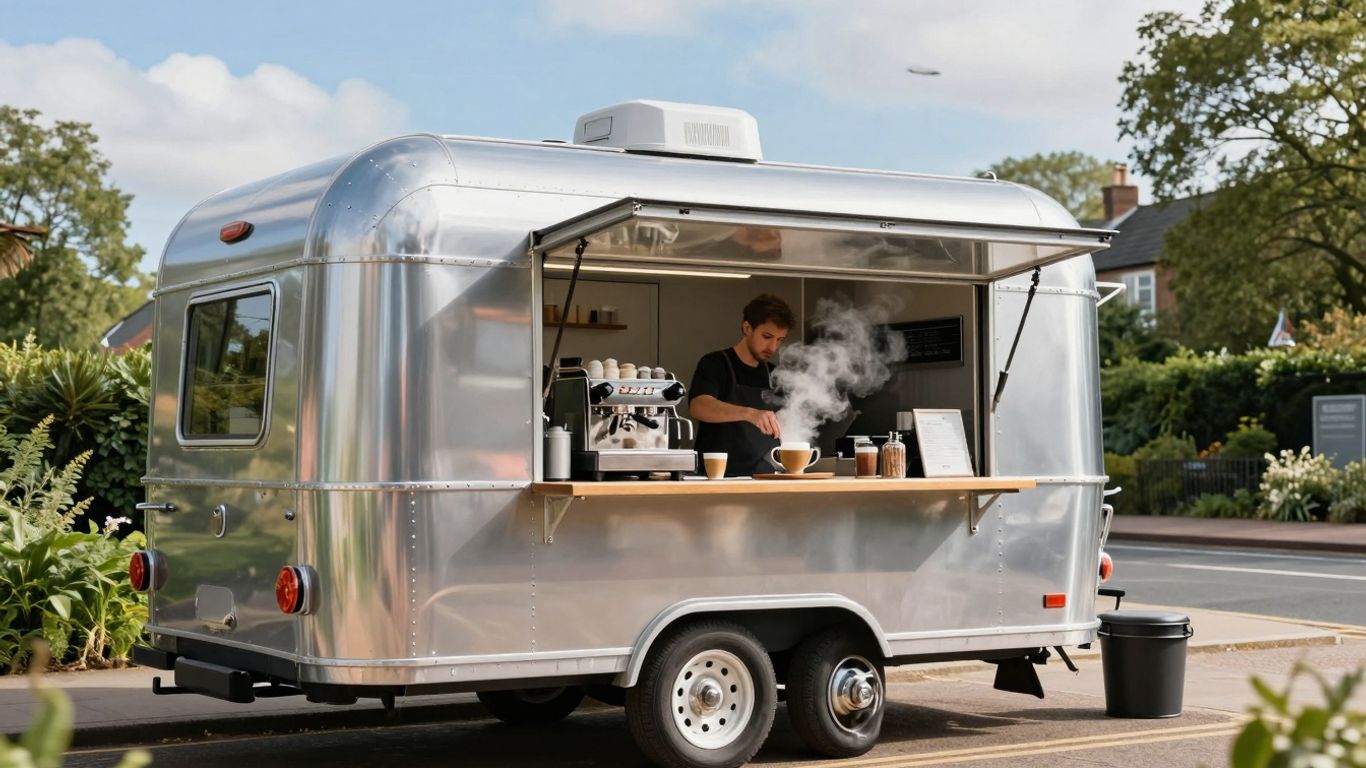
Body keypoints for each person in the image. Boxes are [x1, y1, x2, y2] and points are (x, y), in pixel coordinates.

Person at [688, 294, 794, 476]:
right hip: (718, 478)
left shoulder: (775, 374)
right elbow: (699, 406)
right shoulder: (715, 363)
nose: (773, 347)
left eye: (780, 340)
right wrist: (749, 413)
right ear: (747, 328)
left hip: (764, 477)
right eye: (767, 336)